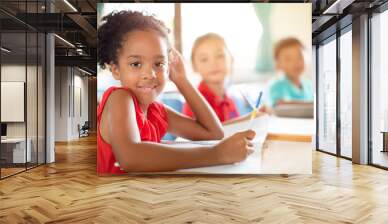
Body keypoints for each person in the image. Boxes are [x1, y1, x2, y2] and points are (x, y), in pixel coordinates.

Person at [97, 11, 255, 174]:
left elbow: (213, 133)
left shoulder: (157, 111)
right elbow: (131, 158)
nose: (150, 74)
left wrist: (181, 80)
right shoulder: (119, 98)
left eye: (158, 63)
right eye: (136, 64)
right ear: (115, 69)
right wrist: (217, 154)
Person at [183, 33, 268, 125]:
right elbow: (207, 134)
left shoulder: (228, 99)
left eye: (220, 56)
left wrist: (255, 116)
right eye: (204, 59)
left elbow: (235, 132)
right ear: (194, 66)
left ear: (231, 59)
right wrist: (249, 119)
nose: (213, 64)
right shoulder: (194, 101)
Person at [268, 37, 313, 107]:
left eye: (299, 57)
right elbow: (280, 104)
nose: (296, 62)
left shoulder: (309, 85)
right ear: (278, 64)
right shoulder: (276, 86)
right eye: (288, 59)